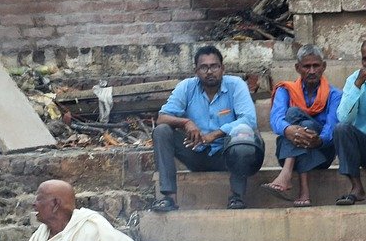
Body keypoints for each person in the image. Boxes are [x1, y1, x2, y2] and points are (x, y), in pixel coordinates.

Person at [152, 45, 263, 212]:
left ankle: (236, 197)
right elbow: (162, 117)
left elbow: (249, 119)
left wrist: (215, 135)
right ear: (196, 71)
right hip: (195, 151)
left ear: (222, 68)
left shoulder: (236, 85)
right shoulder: (187, 87)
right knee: (161, 131)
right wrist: (186, 122)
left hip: (227, 154)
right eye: (204, 67)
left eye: (214, 66)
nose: (209, 71)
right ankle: (169, 198)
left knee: (244, 134)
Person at [263, 44, 341, 206]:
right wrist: (288, 129)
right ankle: (303, 190)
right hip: (286, 151)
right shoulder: (286, 90)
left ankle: (286, 175)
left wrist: (318, 140)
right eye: (306, 66)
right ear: (298, 68)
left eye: (316, 66)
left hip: (322, 153)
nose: (311, 71)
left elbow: (331, 127)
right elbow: (276, 119)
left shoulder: (334, 95)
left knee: (296, 117)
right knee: (293, 117)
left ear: (323, 67)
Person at [332, 39, 366, 206]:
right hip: (363, 145)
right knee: (341, 129)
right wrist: (357, 87)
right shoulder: (354, 80)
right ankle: (357, 188)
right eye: (365, 59)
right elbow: (344, 118)